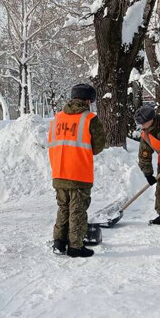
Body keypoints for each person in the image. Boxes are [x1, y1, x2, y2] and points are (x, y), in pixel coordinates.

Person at [49, 83, 106, 258]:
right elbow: (98, 146)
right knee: (78, 210)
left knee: (63, 208)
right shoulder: (89, 119)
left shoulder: (57, 118)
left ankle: (59, 243)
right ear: (88, 100)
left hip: (59, 171)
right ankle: (75, 247)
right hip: (79, 173)